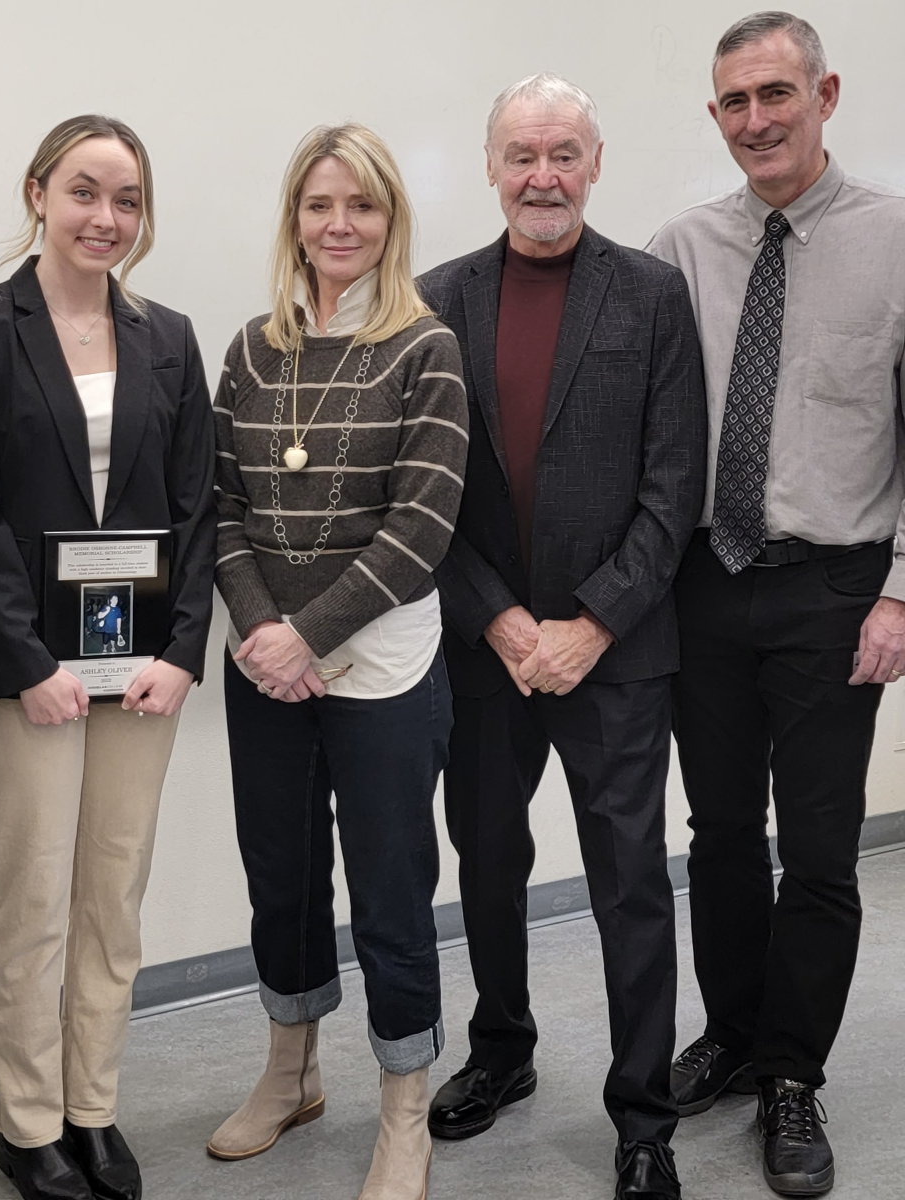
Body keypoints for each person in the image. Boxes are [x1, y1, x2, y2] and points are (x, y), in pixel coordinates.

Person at [418, 74, 706, 1200]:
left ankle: (643, 1119)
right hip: (485, 648)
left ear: (596, 163)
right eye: (522, 155)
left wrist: (591, 623)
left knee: (631, 881)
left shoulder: (652, 295)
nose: (544, 176)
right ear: (493, 166)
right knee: (487, 865)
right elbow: (426, 493)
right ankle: (503, 1050)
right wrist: (497, 617)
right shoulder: (436, 300)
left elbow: (674, 483)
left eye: (564, 154)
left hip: (617, 650)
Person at [0, 115, 215, 1200]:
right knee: (34, 896)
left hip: (141, 670)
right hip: (28, 671)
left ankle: (93, 1109)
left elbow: (198, 509)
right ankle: (27, 1123)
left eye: (129, 199)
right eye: (86, 192)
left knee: (114, 892)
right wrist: (28, 659)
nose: (107, 218)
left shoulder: (169, 336)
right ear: (38, 192)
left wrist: (184, 652)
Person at [646, 12, 905, 1197]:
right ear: (716, 117)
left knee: (817, 852)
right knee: (716, 838)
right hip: (706, 583)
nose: (756, 119)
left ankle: (792, 1074)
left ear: (826, 93)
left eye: (776, 94)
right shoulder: (682, 250)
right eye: (735, 102)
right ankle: (737, 1033)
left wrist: (899, 594)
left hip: (835, 590)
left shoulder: (896, 240)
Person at [209, 123, 468, 1200]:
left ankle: (402, 1108)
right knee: (281, 878)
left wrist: (305, 634)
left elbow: (422, 527)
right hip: (264, 664)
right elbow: (219, 508)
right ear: (294, 221)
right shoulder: (250, 349)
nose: (339, 225)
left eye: (360, 206)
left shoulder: (426, 348)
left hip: (384, 669)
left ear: (389, 220)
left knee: (394, 889)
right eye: (320, 206)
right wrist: (268, 636)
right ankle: (293, 1069)